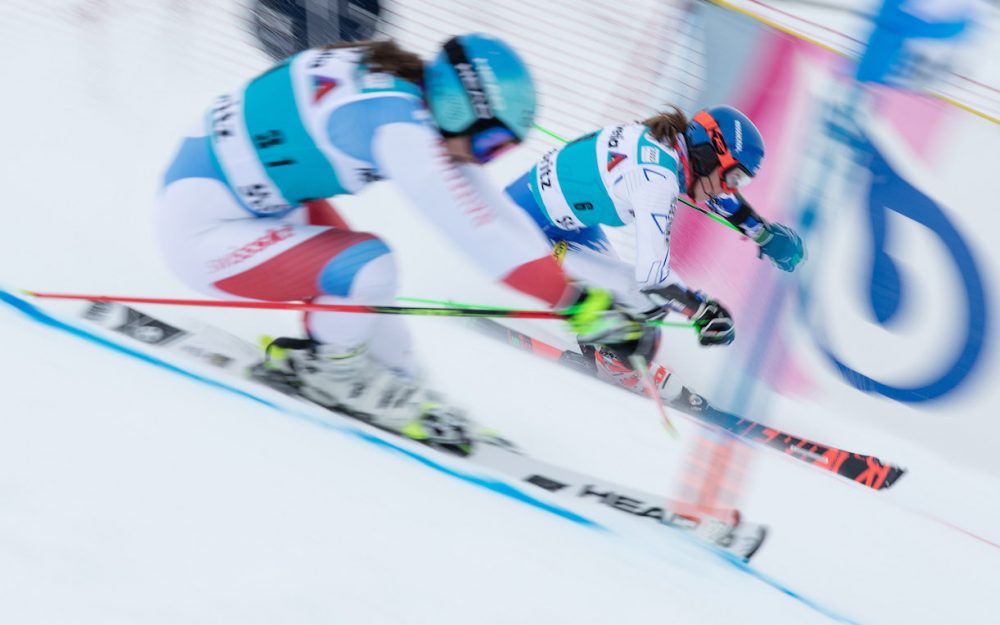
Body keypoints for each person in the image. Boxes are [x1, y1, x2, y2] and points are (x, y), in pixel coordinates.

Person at [155, 34, 651, 453]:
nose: (485, 160)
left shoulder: (405, 98)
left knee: (382, 323)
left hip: (251, 205)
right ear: (460, 109)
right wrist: (577, 303)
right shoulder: (397, 125)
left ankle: (400, 389)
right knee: (369, 267)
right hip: (204, 230)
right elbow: (475, 230)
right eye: (489, 145)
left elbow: (497, 213)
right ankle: (333, 374)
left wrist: (586, 299)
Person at [503, 105, 804, 388]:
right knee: (644, 299)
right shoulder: (656, 179)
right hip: (525, 232)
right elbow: (653, 278)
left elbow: (717, 193)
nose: (731, 188)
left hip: (566, 228)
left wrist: (764, 235)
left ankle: (601, 339)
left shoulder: (673, 148)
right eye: (733, 177)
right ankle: (612, 360)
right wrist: (702, 311)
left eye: (740, 181)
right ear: (708, 156)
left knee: (633, 305)